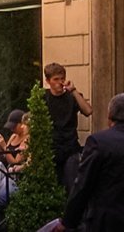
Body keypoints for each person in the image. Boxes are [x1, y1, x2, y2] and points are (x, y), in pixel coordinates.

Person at [54, 93, 124, 232]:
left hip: (106, 220)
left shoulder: (99, 142)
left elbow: (83, 184)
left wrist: (68, 222)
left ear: (109, 116)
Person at [42, 62, 92, 194]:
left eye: (62, 79)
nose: (60, 82)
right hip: (51, 149)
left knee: (73, 187)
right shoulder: (43, 97)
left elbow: (88, 111)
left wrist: (74, 91)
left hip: (70, 148)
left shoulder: (71, 97)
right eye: (56, 79)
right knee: (52, 189)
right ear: (48, 81)